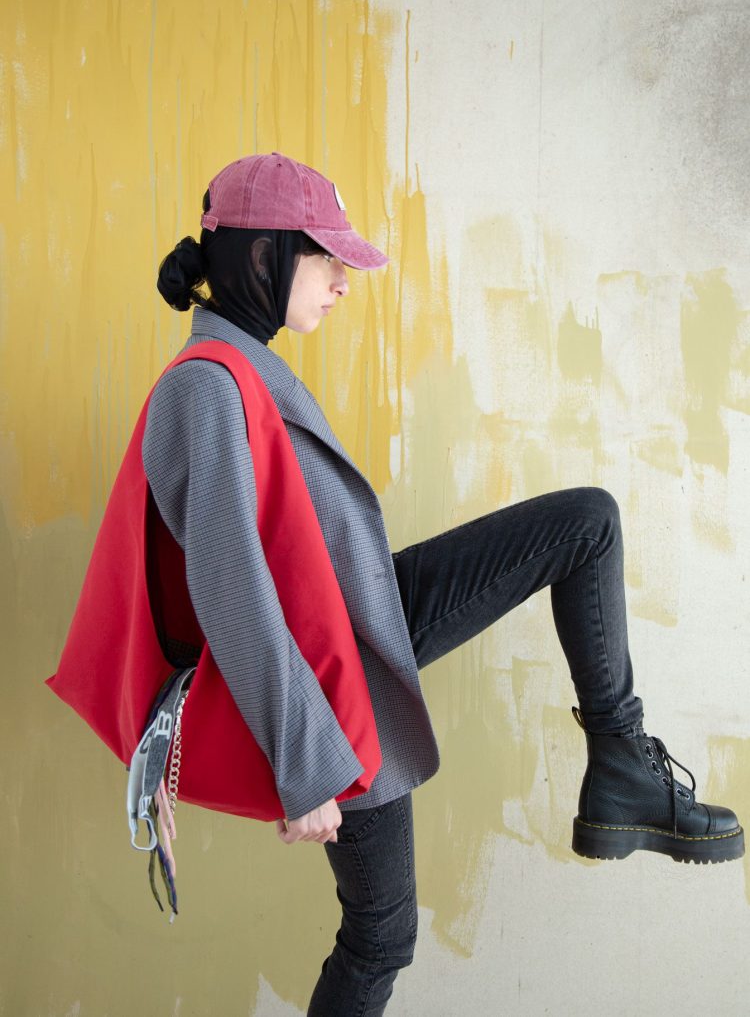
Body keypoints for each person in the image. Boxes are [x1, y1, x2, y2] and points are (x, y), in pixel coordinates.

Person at [149, 152, 743, 1016]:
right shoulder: (208, 387)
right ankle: (622, 770)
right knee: (381, 937)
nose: (344, 282)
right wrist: (305, 762)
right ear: (264, 255)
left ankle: (621, 764)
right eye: (327, 257)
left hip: (362, 615)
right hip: (332, 680)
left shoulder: (242, 368)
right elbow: (229, 581)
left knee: (588, 523)